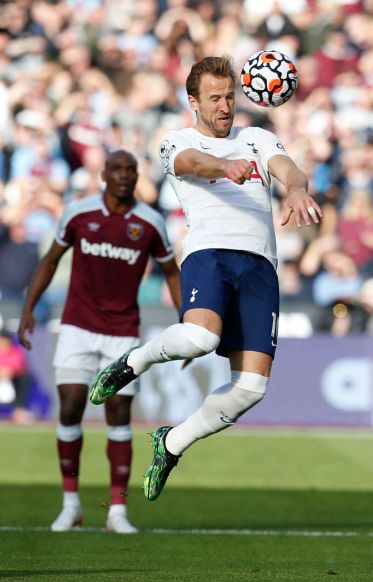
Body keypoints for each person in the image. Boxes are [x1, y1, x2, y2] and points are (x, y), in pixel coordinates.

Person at [88, 55, 323, 501]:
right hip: (209, 253)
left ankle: (172, 442)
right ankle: (132, 363)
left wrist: (295, 188)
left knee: (252, 387)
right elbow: (193, 163)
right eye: (214, 98)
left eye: (230, 97)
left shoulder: (256, 137)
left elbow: (287, 167)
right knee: (200, 339)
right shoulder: (174, 140)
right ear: (193, 101)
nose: (224, 106)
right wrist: (224, 167)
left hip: (260, 265)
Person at [18, 149, 181, 533]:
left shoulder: (150, 222)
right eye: (117, 169)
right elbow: (51, 260)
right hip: (76, 324)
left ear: (137, 176)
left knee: (119, 416)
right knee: (71, 406)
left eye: (131, 170)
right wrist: (29, 308)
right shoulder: (79, 213)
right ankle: (71, 504)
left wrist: (186, 323)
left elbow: (172, 272)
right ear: (103, 174)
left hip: (123, 331)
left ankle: (117, 511)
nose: (124, 175)